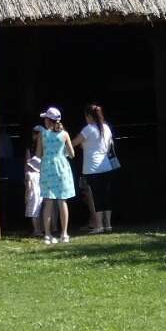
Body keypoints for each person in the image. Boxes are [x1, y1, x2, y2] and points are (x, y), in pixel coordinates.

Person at [36, 106, 76, 243]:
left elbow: (38, 154)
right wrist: (61, 152)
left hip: (47, 167)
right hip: (62, 168)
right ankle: (64, 234)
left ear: (48, 120)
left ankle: (47, 235)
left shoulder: (43, 134)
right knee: (62, 200)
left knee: (48, 202)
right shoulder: (64, 134)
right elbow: (72, 154)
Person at [78, 103, 119, 234]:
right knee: (106, 196)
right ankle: (108, 225)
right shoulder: (106, 127)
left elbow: (74, 142)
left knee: (96, 197)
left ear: (89, 116)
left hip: (92, 168)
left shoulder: (88, 129)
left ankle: (99, 226)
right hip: (106, 166)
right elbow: (108, 147)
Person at [22, 123, 44, 238]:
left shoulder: (32, 148)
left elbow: (27, 164)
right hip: (39, 176)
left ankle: (37, 229)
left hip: (34, 176)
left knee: (35, 202)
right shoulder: (44, 148)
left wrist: (26, 177)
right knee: (38, 202)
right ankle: (38, 229)